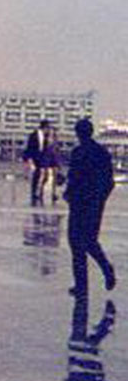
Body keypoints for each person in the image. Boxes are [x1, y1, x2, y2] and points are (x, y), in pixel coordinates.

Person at [64, 118, 116, 297]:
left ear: (78, 133)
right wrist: (100, 199)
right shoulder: (102, 153)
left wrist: (69, 194)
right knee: (89, 242)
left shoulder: (77, 153)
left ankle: (83, 285)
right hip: (92, 204)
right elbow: (109, 182)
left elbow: (73, 178)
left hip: (79, 204)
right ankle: (105, 270)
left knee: (77, 244)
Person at [23, 120, 52, 205]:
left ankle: (38, 191)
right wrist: (28, 158)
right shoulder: (33, 135)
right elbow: (29, 147)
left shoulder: (46, 136)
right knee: (36, 175)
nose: (48, 130)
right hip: (34, 157)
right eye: (48, 128)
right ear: (44, 127)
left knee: (42, 175)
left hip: (41, 158)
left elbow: (44, 147)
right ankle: (34, 192)